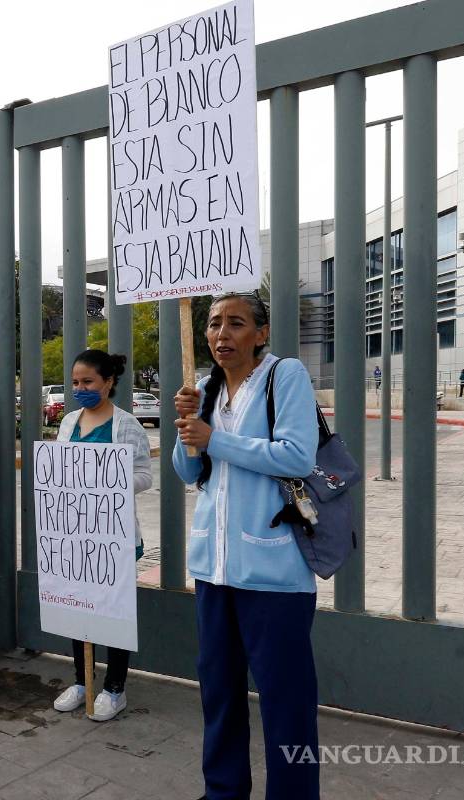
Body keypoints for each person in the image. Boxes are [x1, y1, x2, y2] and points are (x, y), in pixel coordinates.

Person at [171, 292, 321, 799]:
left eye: (236, 323)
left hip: (274, 573)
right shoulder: (207, 387)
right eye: (214, 323)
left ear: (261, 333)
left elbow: (299, 456)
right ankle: (223, 791)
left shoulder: (286, 377)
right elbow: (190, 472)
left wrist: (215, 438)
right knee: (219, 694)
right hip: (215, 572)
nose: (221, 334)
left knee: (286, 703)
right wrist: (187, 431)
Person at [50, 350, 152, 721]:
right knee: (78, 608)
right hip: (75, 534)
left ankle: (114, 688)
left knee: (114, 612)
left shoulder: (127, 425)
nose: (81, 389)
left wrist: (107, 480)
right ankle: (82, 680)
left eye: (88, 382)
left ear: (108, 382)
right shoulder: (69, 422)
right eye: (76, 383)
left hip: (114, 536)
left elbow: (144, 475)